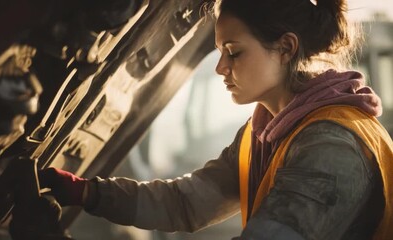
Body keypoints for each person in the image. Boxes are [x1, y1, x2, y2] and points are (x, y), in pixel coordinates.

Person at [37, 0, 393, 239]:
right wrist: (84, 191)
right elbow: (186, 203)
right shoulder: (267, 131)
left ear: (286, 48)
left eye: (233, 52)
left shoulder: (331, 147)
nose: (221, 67)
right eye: (219, 52)